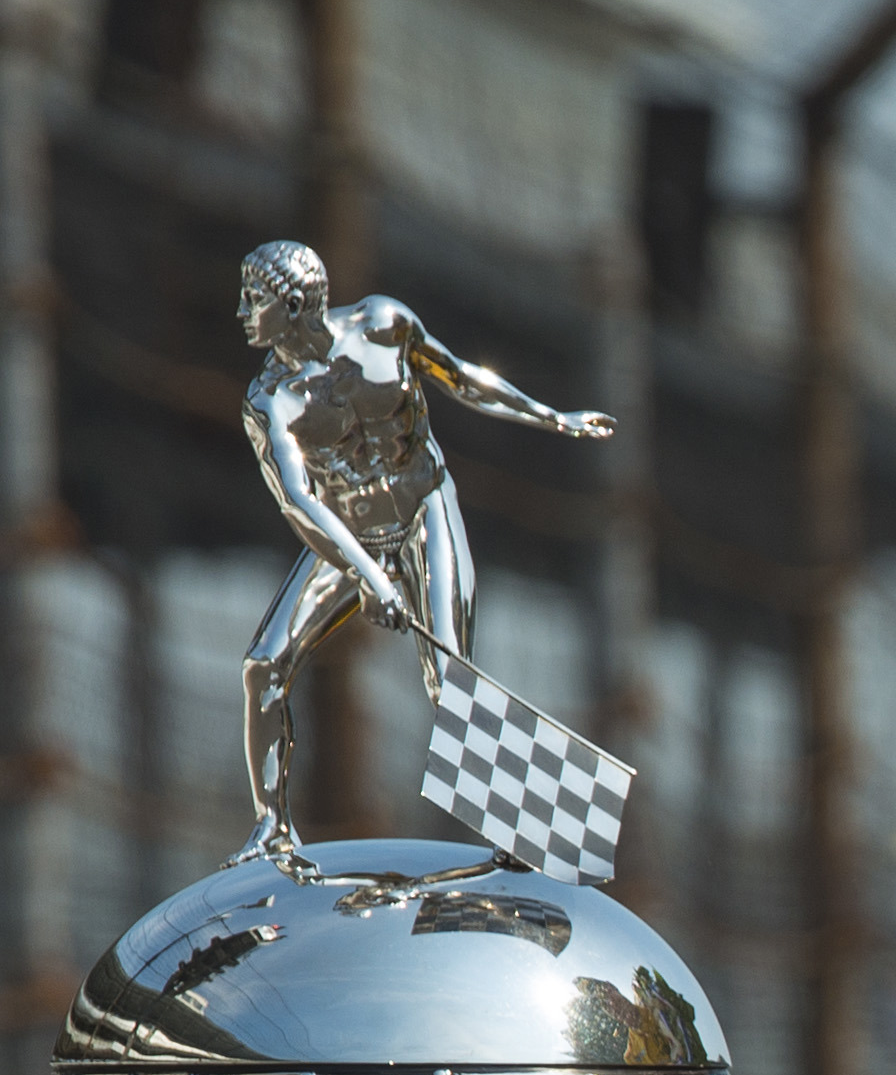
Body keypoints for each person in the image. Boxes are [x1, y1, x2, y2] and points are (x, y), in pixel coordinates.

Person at [230, 236, 612, 846]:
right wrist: (367, 575)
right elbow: (299, 502)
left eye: (255, 300)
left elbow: (461, 379)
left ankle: (529, 832)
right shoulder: (272, 401)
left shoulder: (383, 325)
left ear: (296, 304)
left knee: (448, 678)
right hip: (347, 537)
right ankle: (271, 831)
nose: (243, 313)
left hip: (423, 511)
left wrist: (551, 417)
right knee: (263, 667)